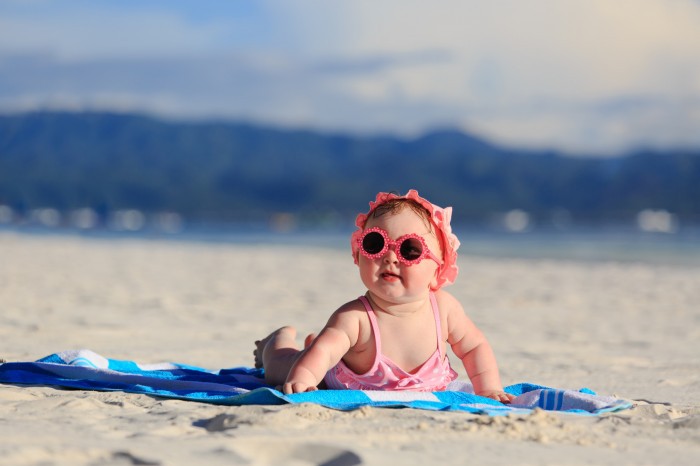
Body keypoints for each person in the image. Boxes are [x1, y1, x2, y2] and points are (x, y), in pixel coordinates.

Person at [254, 190, 514, 403]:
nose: (389, 257)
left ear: (438, 271)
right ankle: (274, 343)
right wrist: (306, 379)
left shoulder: (444, 309)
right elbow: (324, 352)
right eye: (375, 244)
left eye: (410, 250)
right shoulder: (355, 317)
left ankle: (307, 343)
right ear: (358, 255)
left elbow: (474, 347)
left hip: (344, 356)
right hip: (331, 370)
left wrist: (488, 389)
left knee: (318, 347)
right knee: (282, 368)